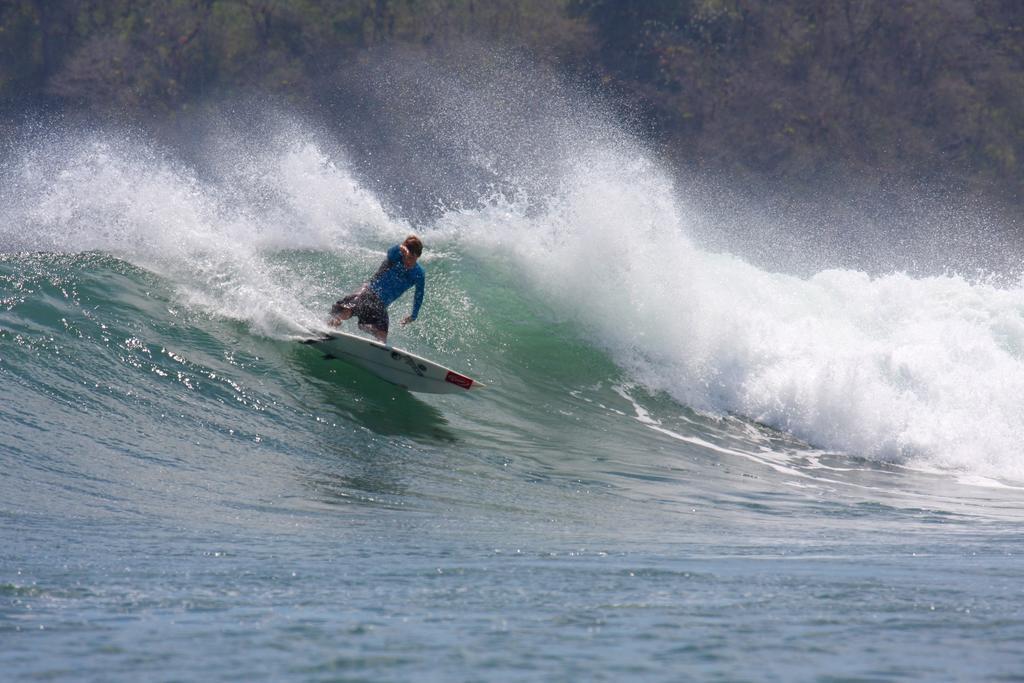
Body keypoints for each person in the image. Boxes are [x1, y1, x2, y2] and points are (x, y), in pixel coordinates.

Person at [329, 235, 425, 343]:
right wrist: (401, 248)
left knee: (382, 336)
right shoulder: (396, 257)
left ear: (418, 257)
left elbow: (419, 294)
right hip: (368, 292)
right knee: (346, 311)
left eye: (412, 258)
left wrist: (414, 315)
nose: (408, 261)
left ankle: (364, 325)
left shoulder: (419, 274)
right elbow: (391, 252)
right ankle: (329, 328)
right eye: (406, 257)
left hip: (381, 305)